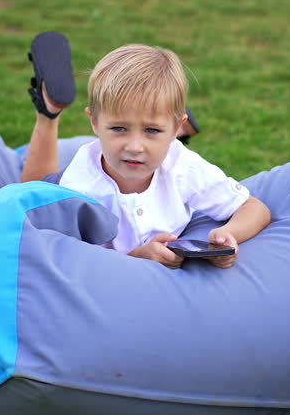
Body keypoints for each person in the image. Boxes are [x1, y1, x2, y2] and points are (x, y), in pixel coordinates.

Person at [20, 32, 271, 269]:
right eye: (119, 128)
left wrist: (227, 236)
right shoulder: (80, 188)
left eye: (151, 130)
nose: (134, 147)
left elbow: (254, 208)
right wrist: (136, 257)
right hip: (60, 191)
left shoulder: (182, 167)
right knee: (26, 198)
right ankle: (49, 111)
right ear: (94, 122)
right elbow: (65, 259)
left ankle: (155, 126)